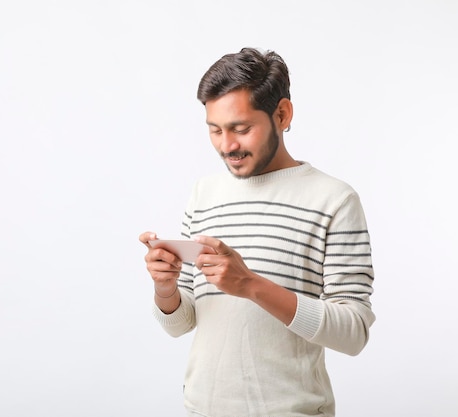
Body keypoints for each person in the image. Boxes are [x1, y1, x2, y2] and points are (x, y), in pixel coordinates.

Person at [139, 47, 375, 417]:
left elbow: (354, 332)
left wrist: (250, 284)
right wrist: (165, 287)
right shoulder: (204, 194)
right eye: (215, 130)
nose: (226, 146)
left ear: (282, 114)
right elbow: (180, 324)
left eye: (241, 129)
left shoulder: (335, 200)